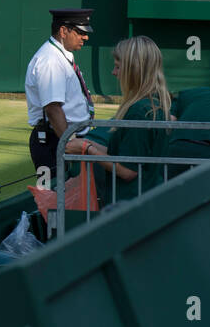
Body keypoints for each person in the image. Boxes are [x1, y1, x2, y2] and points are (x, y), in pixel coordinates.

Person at [66, 36, 172, 206]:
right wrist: (85, 144)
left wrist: (88, 148)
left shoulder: (141, 110)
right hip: (143, 200)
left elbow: (128, 170)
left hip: (131, 205)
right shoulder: (152, 103)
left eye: (117, 67)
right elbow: (122, 153)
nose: (114, 73)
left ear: (134, 69)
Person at [25, 8, 95, 178]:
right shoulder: (50, 60)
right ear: (63, 31)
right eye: (79, 32)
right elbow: (53, 108)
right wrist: (69, 143)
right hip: (53, 142)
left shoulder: (60, 55)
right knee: (48, 195)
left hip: (60, 138)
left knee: (66, 197)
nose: (85, 37)